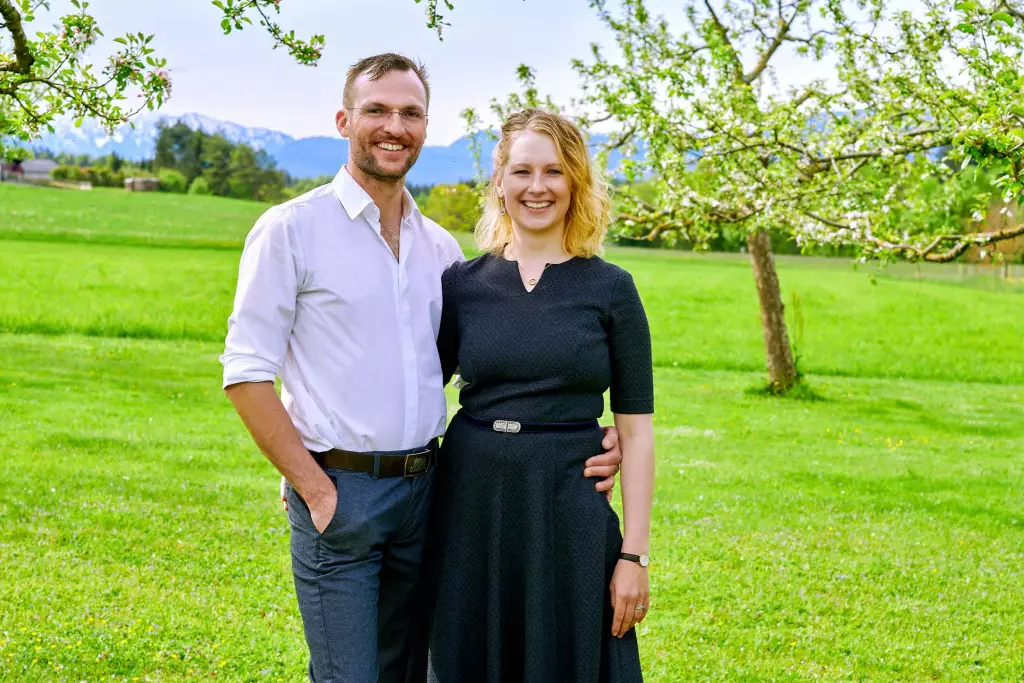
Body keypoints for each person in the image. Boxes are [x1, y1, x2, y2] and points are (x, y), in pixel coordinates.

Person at [220, 54, 623, 683]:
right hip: (343, 494)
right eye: (376, 109)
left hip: (433, 493)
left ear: (425, 128)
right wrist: (312, 483)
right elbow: (246, 374)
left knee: (417, 670)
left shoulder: (441, 250)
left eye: (410, 113)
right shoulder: (292, 230)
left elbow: (472, 363)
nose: (393, 125)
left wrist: (584, 427)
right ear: (343, 119)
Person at [426, 109, 656, 683]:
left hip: (570, 504)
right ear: (499, 183)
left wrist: (634, 556)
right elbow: (414, 389)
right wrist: (316, 451)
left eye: (553, 172)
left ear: (574, 183)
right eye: (522, 171)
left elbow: (636, 432)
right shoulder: (461, 284)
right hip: (471, 503)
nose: (537, 187)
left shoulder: (612, 289)